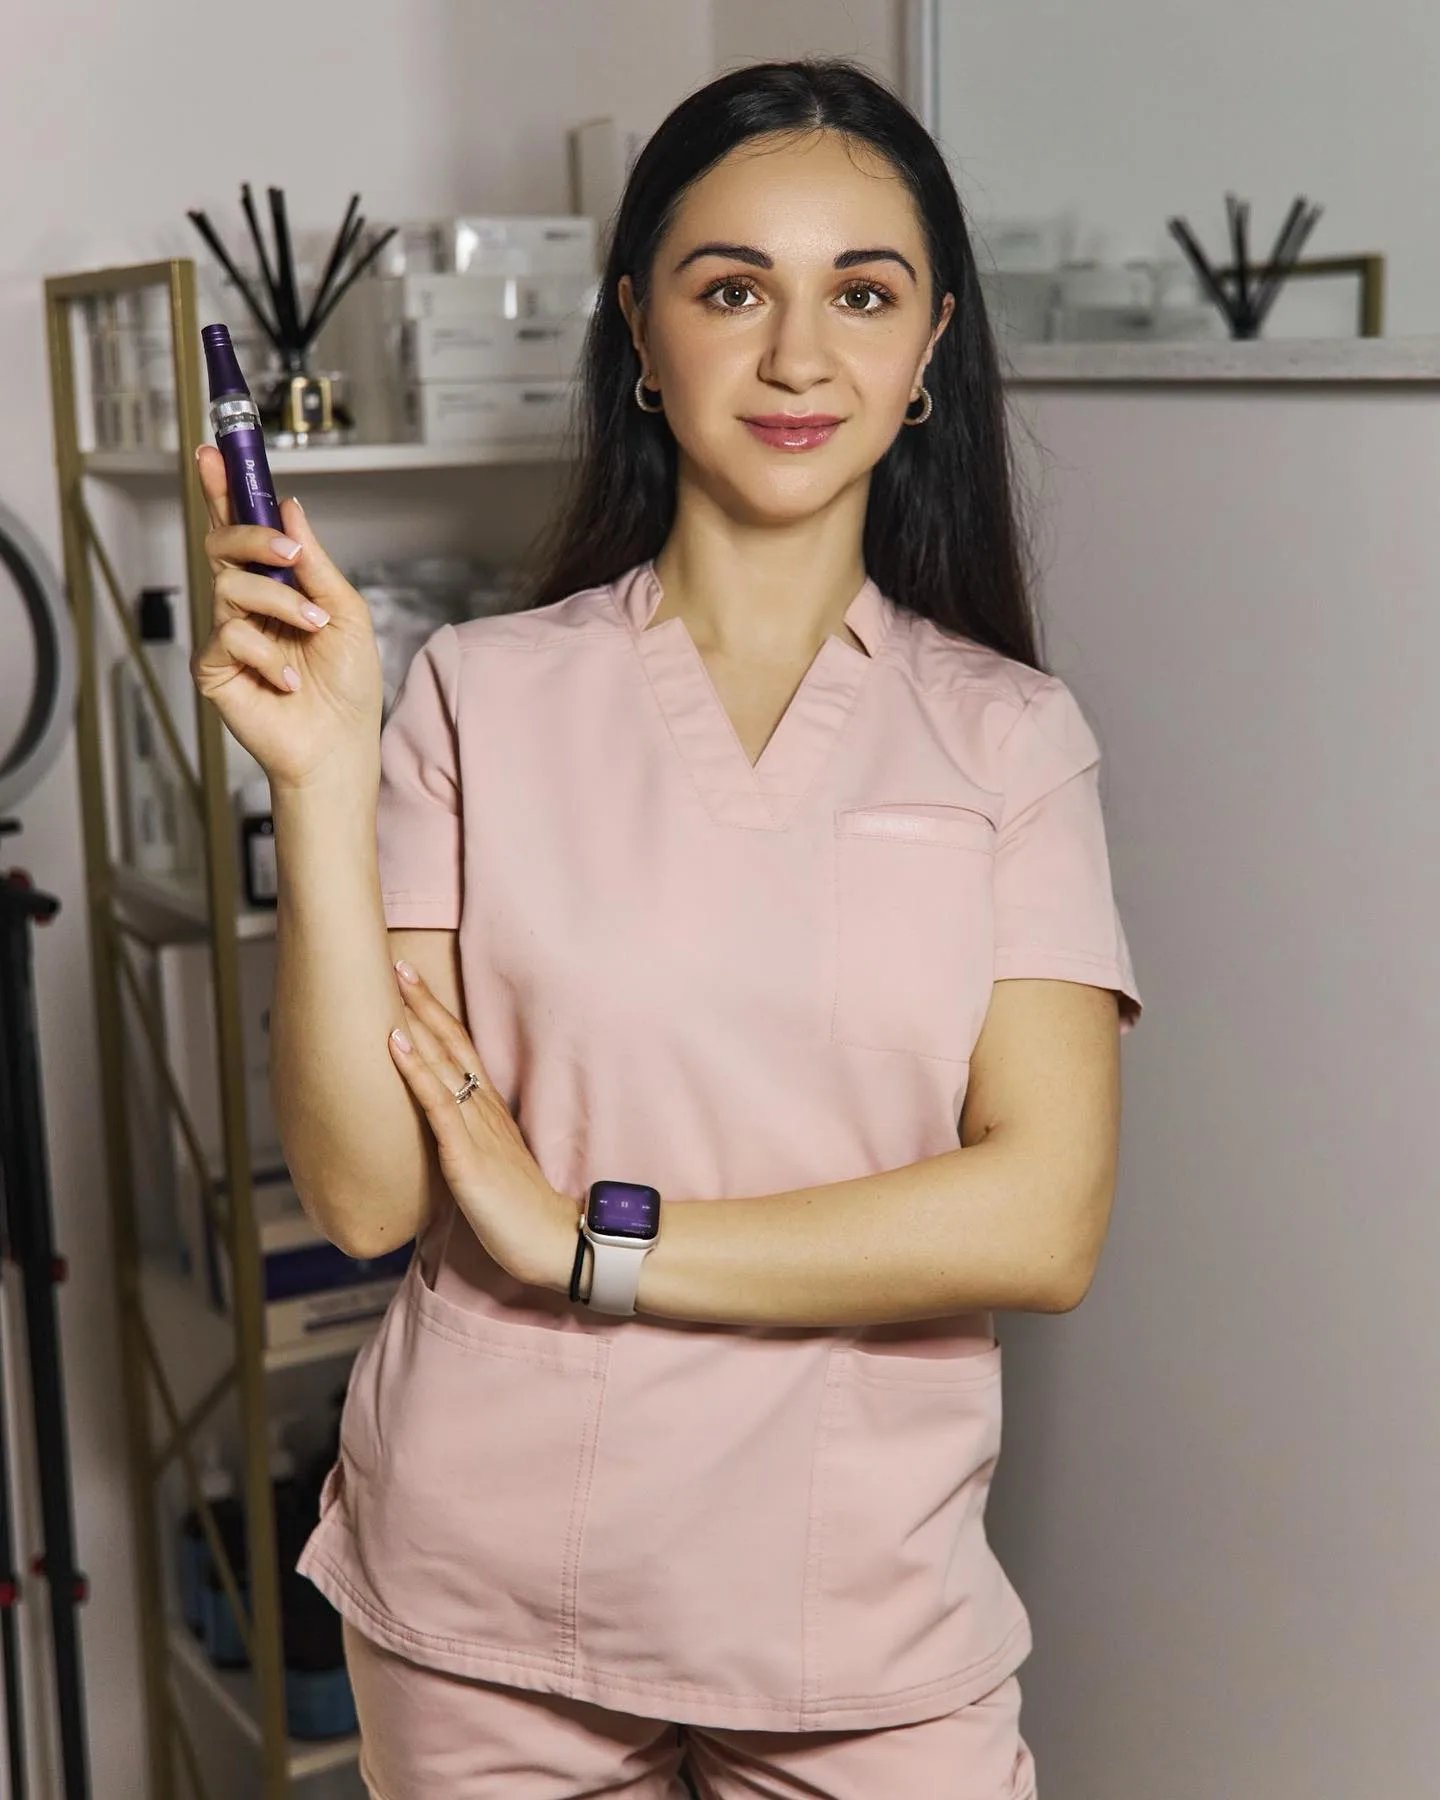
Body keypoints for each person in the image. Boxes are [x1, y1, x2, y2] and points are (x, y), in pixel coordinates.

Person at [192, 56, 1141, 1800]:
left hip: (860, 1607)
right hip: (486, 1605)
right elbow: (370, 1194)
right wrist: (320, 789)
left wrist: (585, 1245)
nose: (799, 355)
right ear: (641, 329)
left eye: (863, 293)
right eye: (732, 289)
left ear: (932, 346)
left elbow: (1044, 1213)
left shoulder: (1010, 736)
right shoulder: (476, 696)